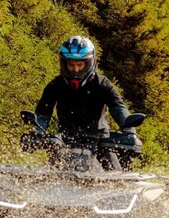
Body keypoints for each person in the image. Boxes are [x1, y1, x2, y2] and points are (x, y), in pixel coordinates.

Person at [34, 35, 136, 171]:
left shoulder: (103, 84)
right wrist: (36, 132)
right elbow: (43, 113)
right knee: (47, 176)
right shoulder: (55, 85)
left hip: (100, 142)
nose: (75, 70)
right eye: (71, 65)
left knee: (119, 178)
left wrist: (129, 131)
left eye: (80, 65)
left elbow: (118, 107)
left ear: (89, 63)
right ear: (64, 64)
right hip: (66, 142)